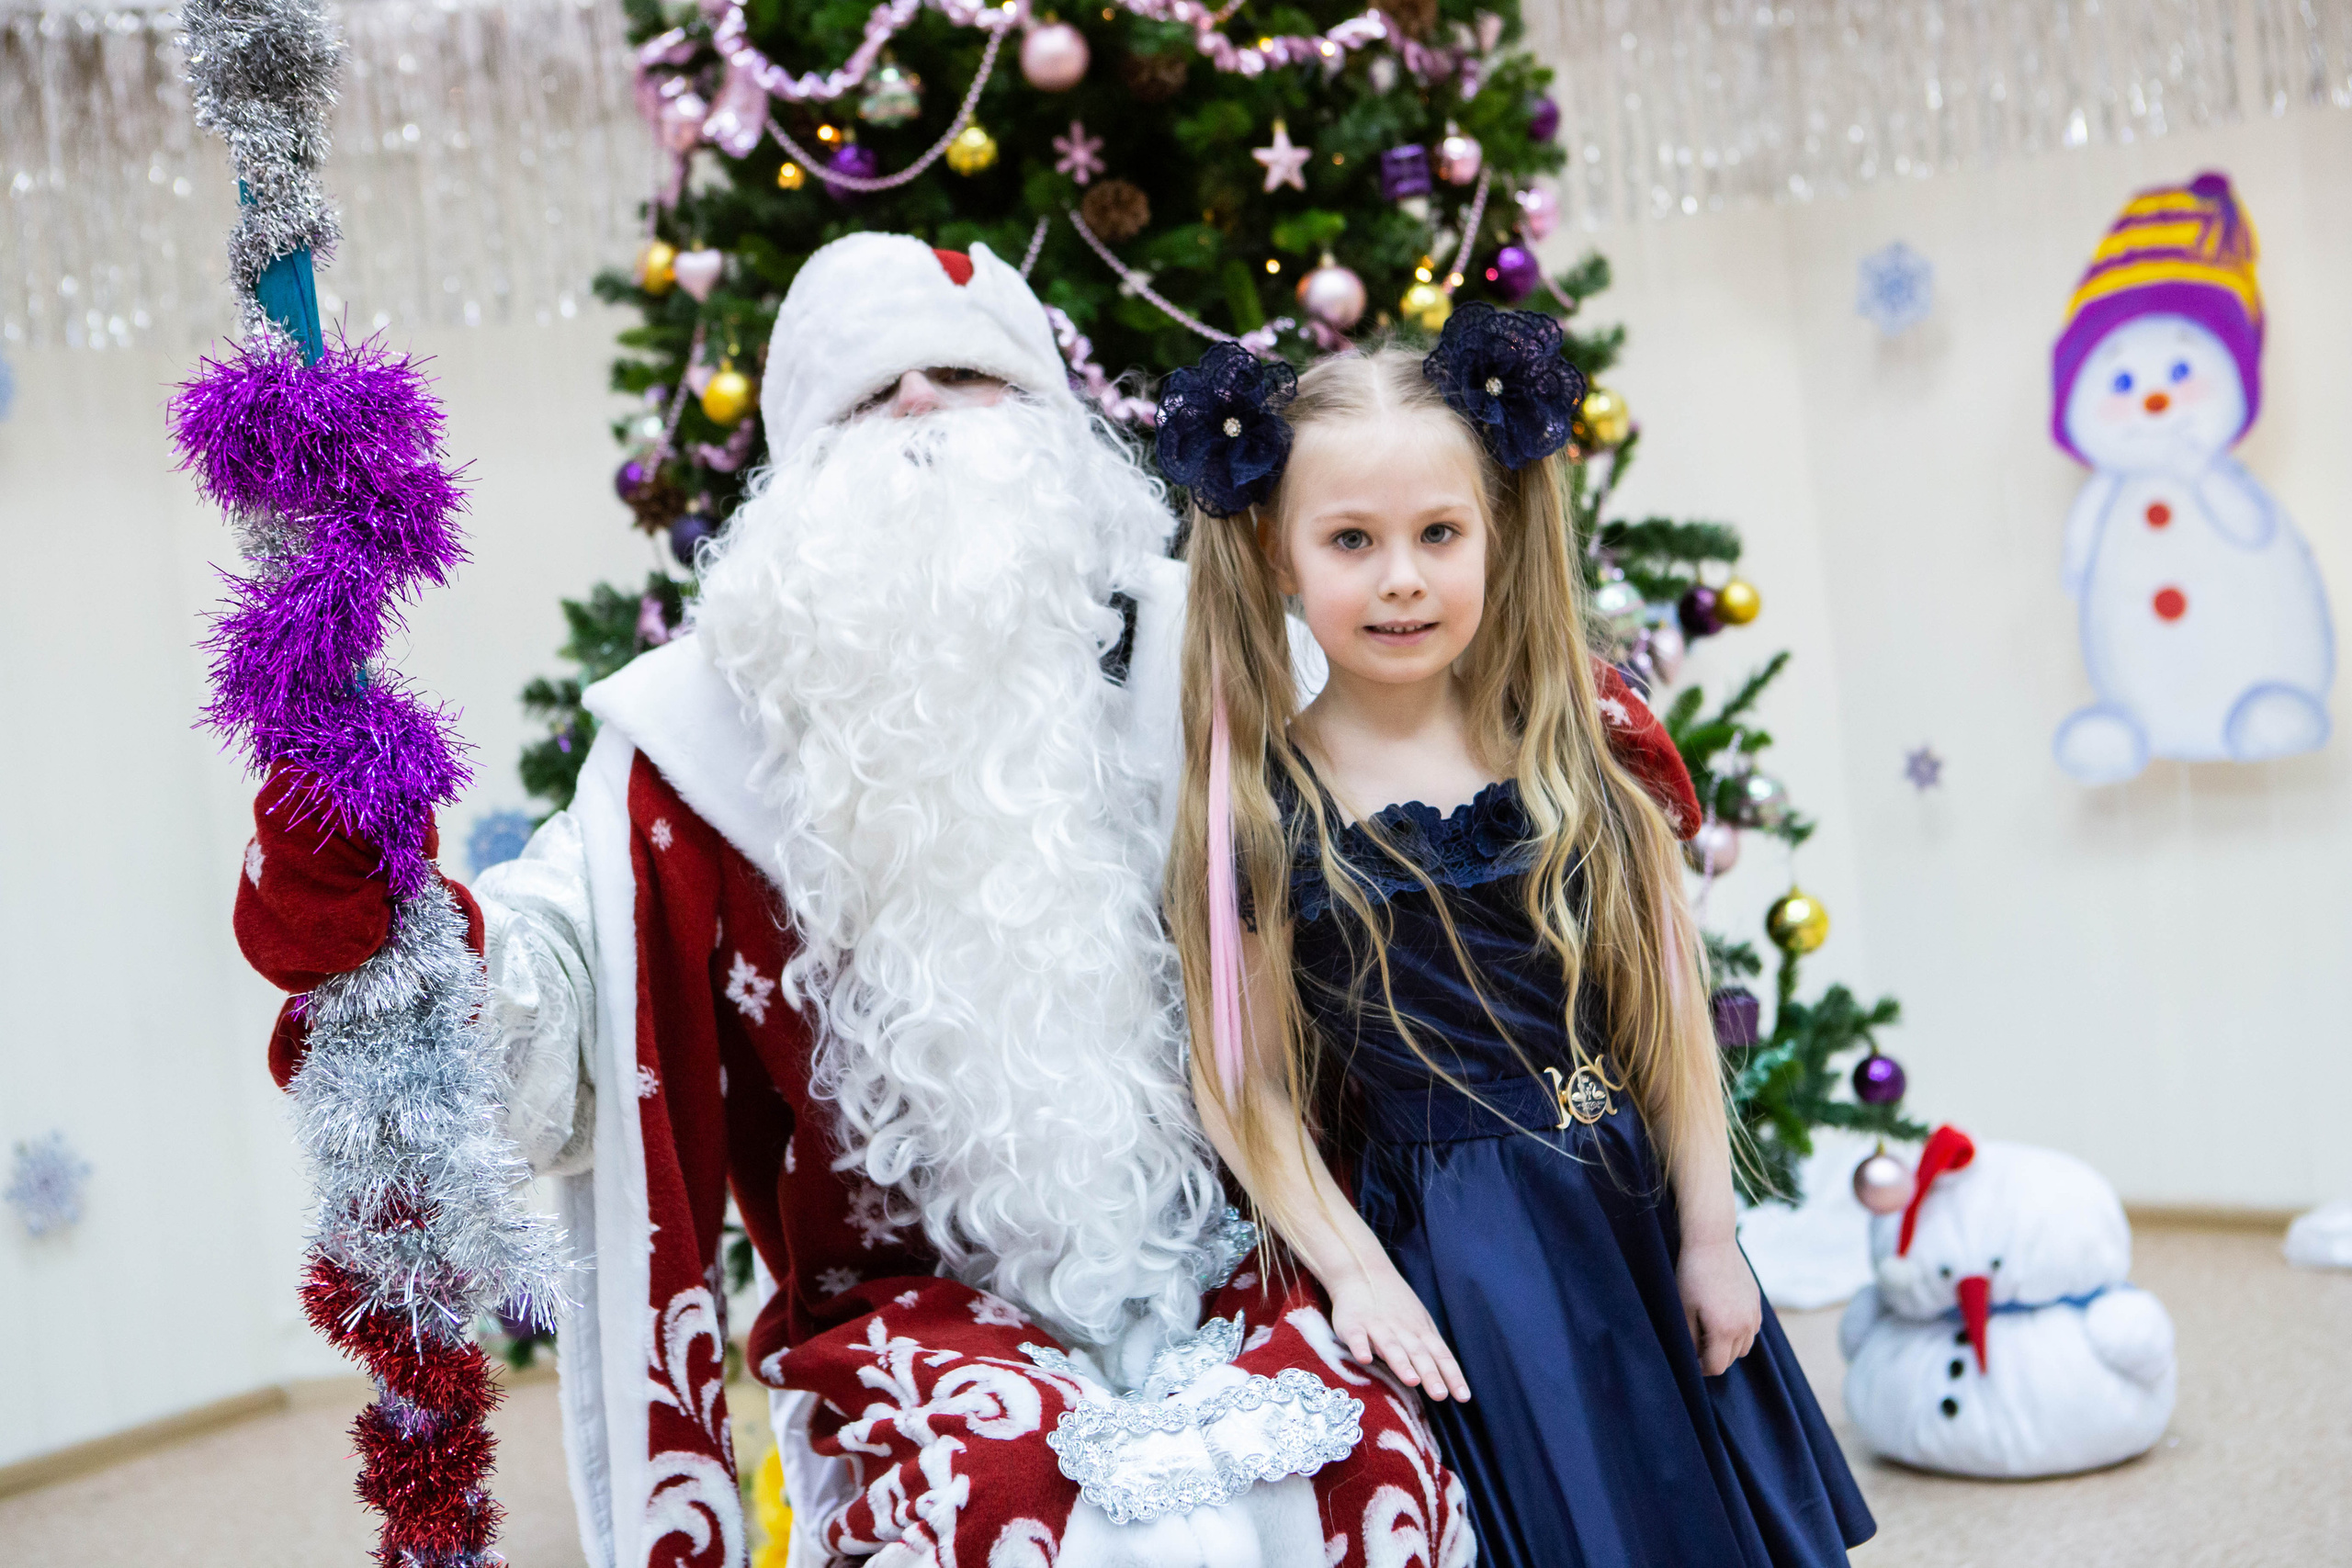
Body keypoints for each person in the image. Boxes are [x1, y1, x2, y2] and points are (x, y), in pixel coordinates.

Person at [233, 234, 1476, 1568]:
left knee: (1368, 1478)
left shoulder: (1206, 652)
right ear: (795, 471)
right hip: (904, 1307)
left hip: (1243, 1252)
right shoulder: (695, 743)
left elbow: (1445, 778)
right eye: (870, 393)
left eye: (966, 374)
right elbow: (556, 1021)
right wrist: (387, 922)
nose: (922, 407)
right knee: (1011, 1521)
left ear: (1056, 428)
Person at [1158, 309, 1878, 1567]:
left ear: (1496, 531)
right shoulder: (1262, 813)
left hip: (1633, 1204)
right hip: (1466, 1259)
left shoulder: (1577, 756)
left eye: (1439, 533)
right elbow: (1245, 1084)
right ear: (1277, 554)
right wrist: (1357, 1273)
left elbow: (1674, 1030)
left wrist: (1711, 1237)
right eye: (1351, 540)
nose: (1401, 577)